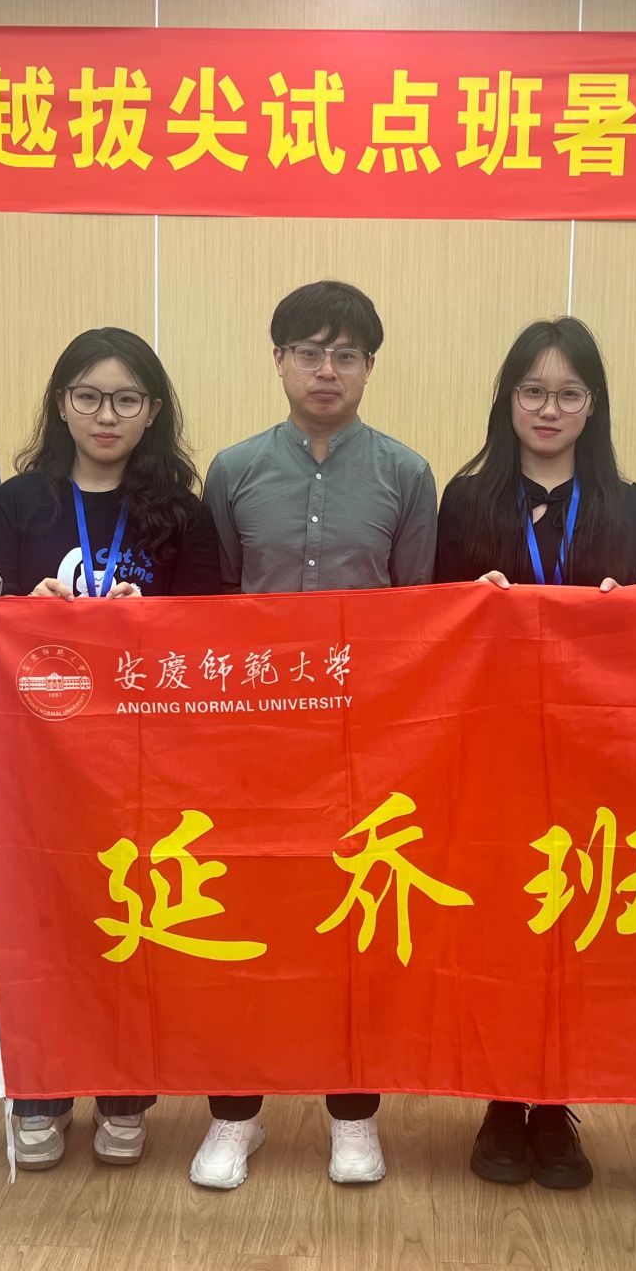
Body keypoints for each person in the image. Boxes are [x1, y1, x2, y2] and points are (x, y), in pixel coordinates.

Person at [189, 278, 438, 1190]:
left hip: (363, 742)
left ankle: (353, 1114)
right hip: (252, 741)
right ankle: (235, 1114)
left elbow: (418, 617)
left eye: (345, 355)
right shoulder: (233, 470)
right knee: (242, 920)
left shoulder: (407, 475)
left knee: (355, 926)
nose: (325, 370)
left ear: (370, 367)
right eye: (308, 352)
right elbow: (216, 606)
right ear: (279, 360)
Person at [0, 326, 222, 1168]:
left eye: (124, 399)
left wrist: (151, 622)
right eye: (88, 397)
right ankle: (40, 1091)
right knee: (46, 923)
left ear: (152, 411)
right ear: (61, 404)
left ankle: (124, 1091)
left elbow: (211, 634)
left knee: (131, 923)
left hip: (143, 761)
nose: (105, 415)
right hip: (38, 759)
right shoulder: (18, 504)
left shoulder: (182, 514)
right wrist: (24, 607)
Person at [434, 316, 636, 1191]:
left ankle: (555, 1102)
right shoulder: (467, 499)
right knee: (499, 926)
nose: (549, 409)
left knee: (570, 924)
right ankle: (501, 1100)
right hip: (493, 750)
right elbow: (430, 626)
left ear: (593, 405)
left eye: (568, 393)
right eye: (533, 391)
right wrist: (470, 600)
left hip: (589, 752)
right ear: (508, 400)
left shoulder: (627, 506)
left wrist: (622, 608)